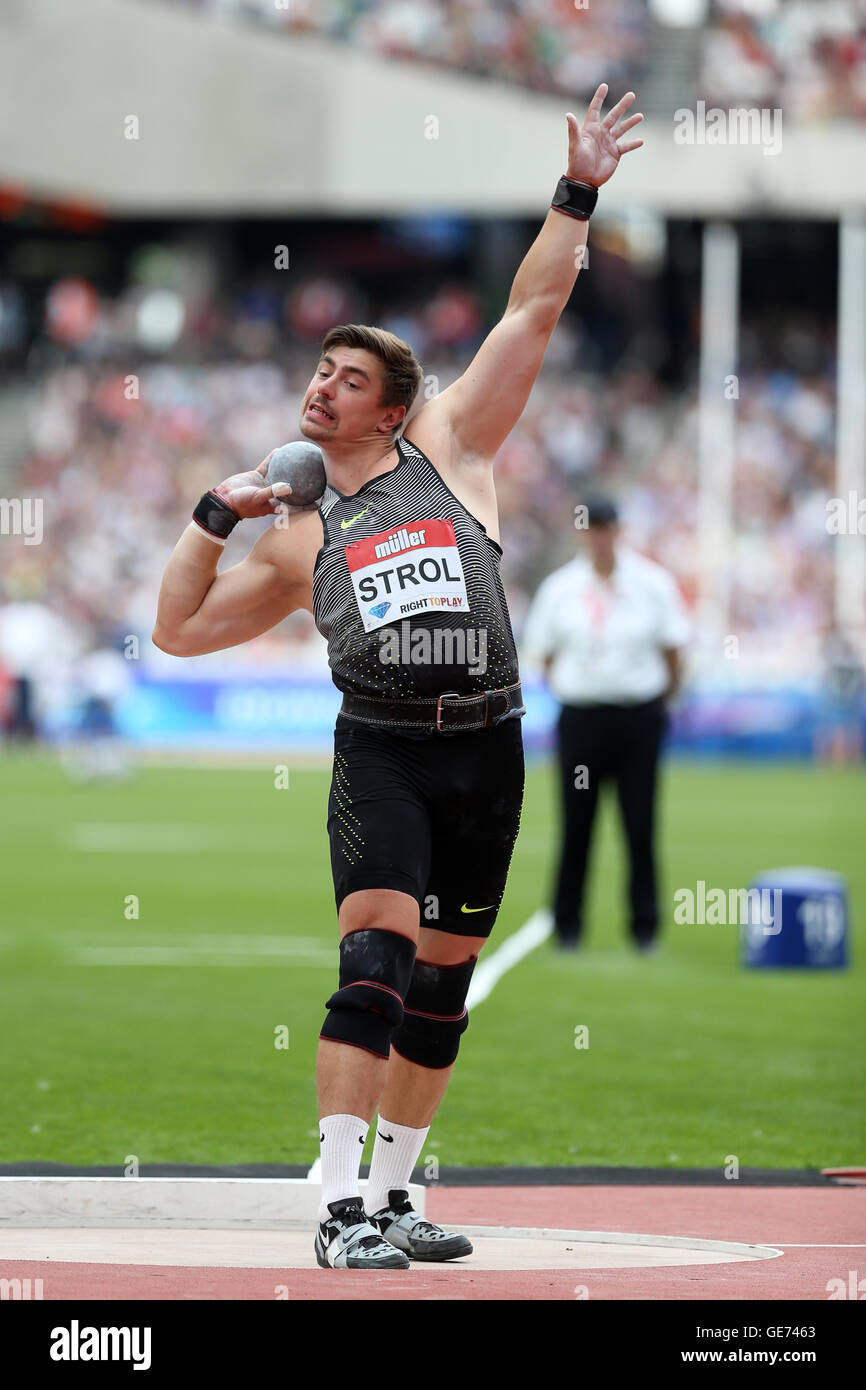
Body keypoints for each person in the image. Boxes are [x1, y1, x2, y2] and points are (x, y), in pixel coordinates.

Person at [152, 84, 644, 1270]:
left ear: (397, 408)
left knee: (440, 989)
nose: (319, 387)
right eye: (316, 372)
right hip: (379, 749)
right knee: (372, 962)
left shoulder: (454, 449)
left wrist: (575, 191)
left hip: (488, 743)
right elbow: (178, 634)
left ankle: (394, 1196)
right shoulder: (291, 533)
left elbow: (533, 303)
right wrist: (213, 516)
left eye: (346, 378)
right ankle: (333, 1211)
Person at [523, 494, 690, 953]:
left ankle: (645, 929)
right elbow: (547, 657)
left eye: (605, 527)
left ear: (619, 530)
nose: (599, 537)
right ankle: (568, 926)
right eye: (591, 528)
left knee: (640, 825)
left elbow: (674, 652)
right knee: (576, 826)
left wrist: (658, 703)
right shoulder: (560, 588)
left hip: (638, 718)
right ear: (582, 533)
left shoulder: (652, 583)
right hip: (582, 719)